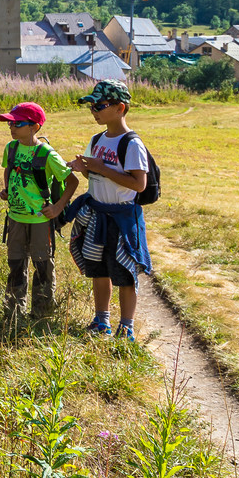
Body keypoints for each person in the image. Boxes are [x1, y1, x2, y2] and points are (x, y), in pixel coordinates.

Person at [66, 81, 153, 341]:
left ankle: (126, 328)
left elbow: (138, 184)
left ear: (120, 108)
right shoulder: (97, 140)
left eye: (100, 106)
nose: (94, 111)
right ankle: (101, 320)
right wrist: (84, 168)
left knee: (124, 274)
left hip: (122, 219)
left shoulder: (131, 144)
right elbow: (93, 173)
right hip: (97, 216)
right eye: (91, 106)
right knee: (99, 270)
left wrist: (101, 168)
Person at [0, 102, 79, 322]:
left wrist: (58, 207)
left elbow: (72, 181)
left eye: (17, 123)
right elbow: (9, 169)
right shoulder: (11, 148)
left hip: (41, 220)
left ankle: (42, 313)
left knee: (42, 264)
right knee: (15, 263)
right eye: (10, 123)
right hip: (16, 218)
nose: (12, 127)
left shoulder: (47, 154)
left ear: (34, 127)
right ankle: (14, 312)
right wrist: (7, 190)